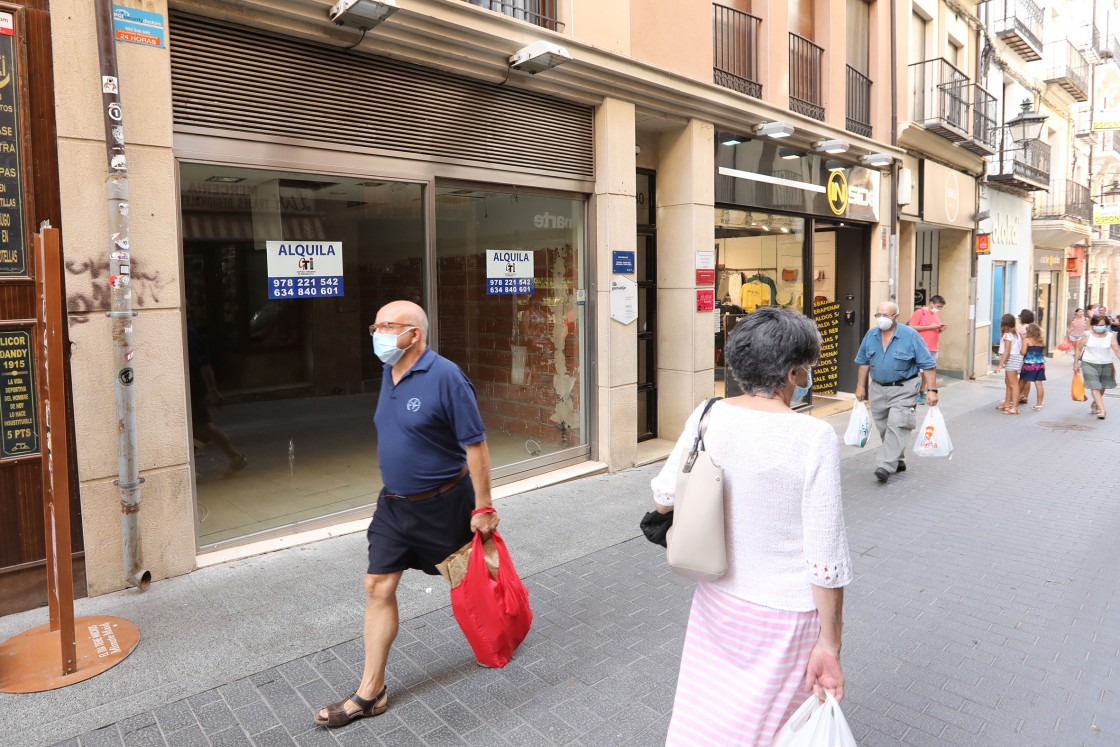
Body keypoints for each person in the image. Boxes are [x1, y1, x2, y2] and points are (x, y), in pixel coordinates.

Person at [652, 307, 850, 745]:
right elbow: (825, 559)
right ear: (794, 372)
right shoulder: (812, 437)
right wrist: (831, 645)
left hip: (717, 600)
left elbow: (663, 497)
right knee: (768, 728)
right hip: (784, 613)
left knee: (707, 720)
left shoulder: (707, 414)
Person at [315, 300, 500, 727]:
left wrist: (484, 507)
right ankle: (370, 692)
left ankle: (507, 623)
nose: (378, 335)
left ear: (414, 333)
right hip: (394, 506)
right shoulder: (389, 370)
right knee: (377, 585)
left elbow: (477, 446)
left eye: (387, 326)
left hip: (443, 505)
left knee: (474, 582)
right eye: (375, 326)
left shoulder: (447, 378)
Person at [854, 301, 938, 483]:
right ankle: (897, 459)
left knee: (897, 424)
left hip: (904, 388)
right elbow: (863, 361)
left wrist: (932, 390)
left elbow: (928, 364)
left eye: (886, 315)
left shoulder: (910, 335)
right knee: (884, 428)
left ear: (896, 317)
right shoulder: (871, 335)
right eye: (879, 315)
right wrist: (860, 386)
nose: (881, 319)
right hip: (877, 388)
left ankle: (885, 465)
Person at [187, 321, 247, 477]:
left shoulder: (186, 331)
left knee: (202, 426)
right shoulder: (190, 329)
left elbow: (201, 363)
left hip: (190, 385)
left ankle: (235, 457)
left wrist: (212, 390)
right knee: (199, 426)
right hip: (193, 384)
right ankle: (235, 457)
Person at [1073, 313, 1120, 420]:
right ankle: (1102, 409)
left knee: (1102, 387)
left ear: (1106, 325)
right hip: (1088, 363)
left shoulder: (1110, 336)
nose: (1100, 327)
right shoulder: (1087, 335)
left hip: (1106, 364)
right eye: (1097, 325)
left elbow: (1117, 350)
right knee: (1095, 386)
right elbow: (1078, 349)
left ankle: (1095, 403)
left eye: (1102, 325)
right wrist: (1075, 363)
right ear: (1093, 325)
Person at [907, 294, 946, 405]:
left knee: (928, 372)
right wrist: (930, 327)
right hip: (922, 347)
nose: (939, 309)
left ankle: (922, 393)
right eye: (938, 306)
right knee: (919, 372)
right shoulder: (920, 312)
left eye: (941, 307)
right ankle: (915, 394)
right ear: (931, 303)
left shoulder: (936, 314)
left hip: (933, 347)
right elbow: (911, 327)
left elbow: (934, 330)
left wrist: (940, 329)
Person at [995, 313, 1023, 415]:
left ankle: (1014, 407)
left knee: (1013, 384)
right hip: (1015, 358)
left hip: (1011, 359)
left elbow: (1007, 351)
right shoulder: (1015, 333)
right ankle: (1007, 404)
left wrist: (1000, 365)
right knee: (1009, 382)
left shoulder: (1007, 335)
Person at [1019, 323, 1046, 410]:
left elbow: (1023, 352)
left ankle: (1014, 400)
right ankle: (1039, 404)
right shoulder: (1041, 341)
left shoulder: (1027, 340)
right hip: (1040, 365)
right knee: (1039, 384)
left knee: (1021, 382)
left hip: (1029, 365)